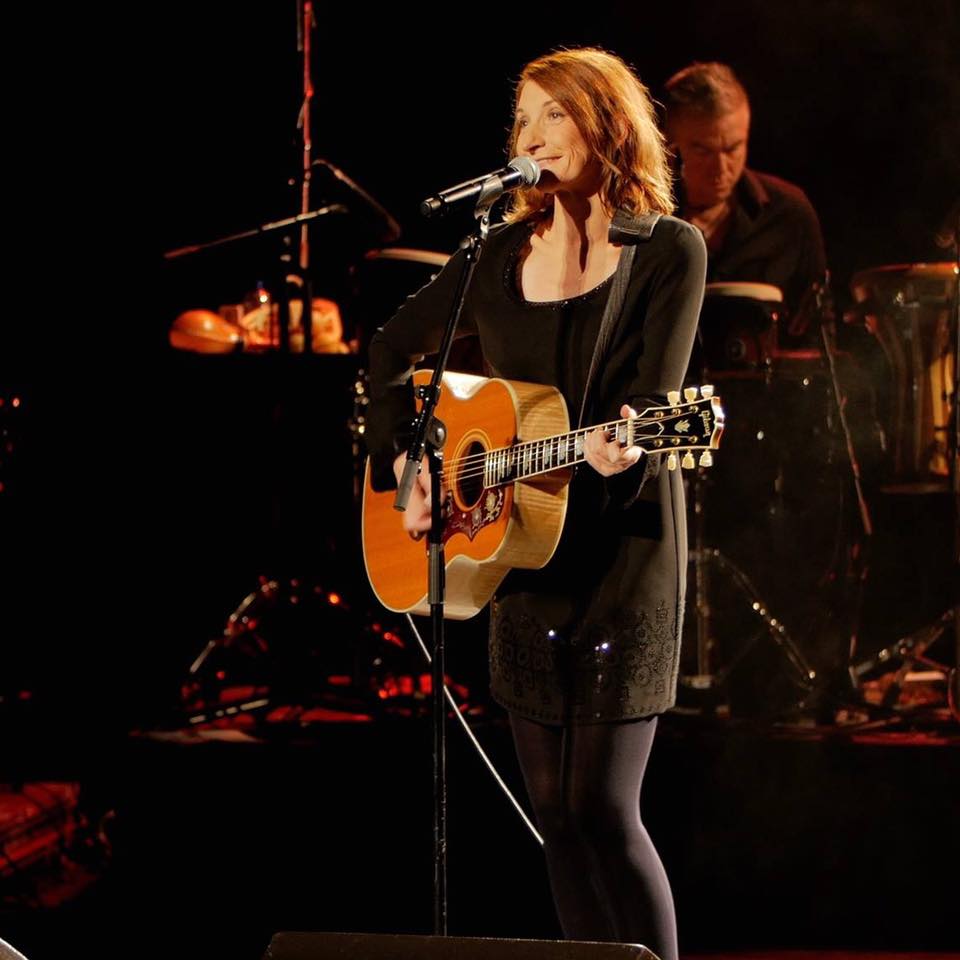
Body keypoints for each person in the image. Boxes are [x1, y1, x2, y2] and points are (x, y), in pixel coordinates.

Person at [366, 48, 706, 960]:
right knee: (553, 811)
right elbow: (390, 351)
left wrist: (619, 447)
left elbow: (651, 403)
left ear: (606, 124)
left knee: (603, 806)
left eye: (555, 114)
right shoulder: (497, 255)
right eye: (524, 120)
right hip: (517, 546)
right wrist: (410, 461)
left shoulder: (666, 250)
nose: (535, 136)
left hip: (622, 550)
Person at [662, 61, 826, 343]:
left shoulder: (789, 214)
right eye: (703, 151)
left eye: (733, 148)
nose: (721, 168)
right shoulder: (643, 217)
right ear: (669, 145)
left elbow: (818, 333)